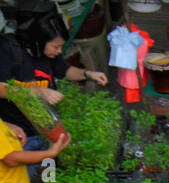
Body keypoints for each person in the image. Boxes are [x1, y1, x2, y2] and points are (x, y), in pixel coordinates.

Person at [0, 10, 108, 141]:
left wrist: (88, 74)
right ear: (38, 42)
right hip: (19, 130)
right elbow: (2, 88)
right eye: (56, 47)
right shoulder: (8, 51)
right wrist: (39, 92)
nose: (59, 51)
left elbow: (65, 70)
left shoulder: (49, 54)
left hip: (45, 124)